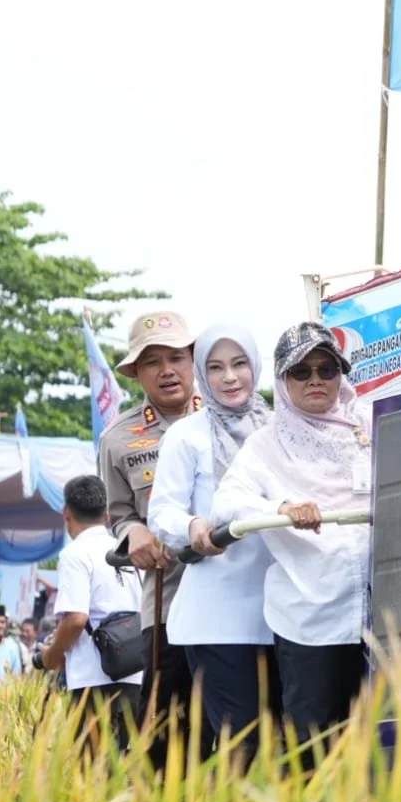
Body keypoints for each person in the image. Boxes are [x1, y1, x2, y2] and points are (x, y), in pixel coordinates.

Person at [214, 323, 372, 758]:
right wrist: (281, 508)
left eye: (326, 368)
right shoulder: (266, 445)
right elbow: (226, 504)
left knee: (378, 745)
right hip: (312, 619)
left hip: (383, 613)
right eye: (301, 372)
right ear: (282, 382)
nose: (316, 380)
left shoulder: (372, 425)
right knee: (314, 750)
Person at [148, 324, 279, 765]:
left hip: (286, 609)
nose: (230, 377)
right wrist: (193, 527)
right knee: (242, 742)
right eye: (216, 367)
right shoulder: (186, 436)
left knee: (288, 742)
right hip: (217, 617)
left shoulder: (282, 429)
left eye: (239, 364)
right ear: (203, 376)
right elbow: (161, 512)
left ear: (256, 367)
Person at [100, 309, 211, 764]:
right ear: (137, 374)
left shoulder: (240, 418)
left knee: (239, 715)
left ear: (194, 361)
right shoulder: (118, 438)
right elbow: (118, 515)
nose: (166, 370)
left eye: (176, 357)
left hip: (243, 595)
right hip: (168, 596)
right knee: (166, 722)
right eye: (152, 362)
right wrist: (135, 533)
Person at [38, 476, 145, 751]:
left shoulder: (75, 554)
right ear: (107, 514)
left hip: (93, 682)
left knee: (92, 777)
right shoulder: (129, 550)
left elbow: (75, 619)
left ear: (66, 512)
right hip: (136, 677)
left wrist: (52, 654)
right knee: (128, 772)